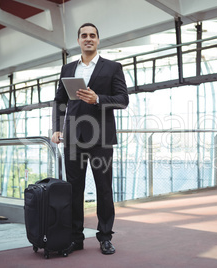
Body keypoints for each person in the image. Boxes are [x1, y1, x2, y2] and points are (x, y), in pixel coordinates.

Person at [51, 23, 129, 255]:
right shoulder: (67, 69)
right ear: (78, 40)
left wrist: (98, 99)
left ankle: (105, 237)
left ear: (98, 40)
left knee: (104, 189)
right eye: (84, 35)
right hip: (73, 137)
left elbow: (123, 100)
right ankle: (76, 238)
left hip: (101, 138)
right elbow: (59, 101)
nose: (88, 39)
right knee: (74, 190)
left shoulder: (113, 67)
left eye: (92, 36)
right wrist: (56, 128)